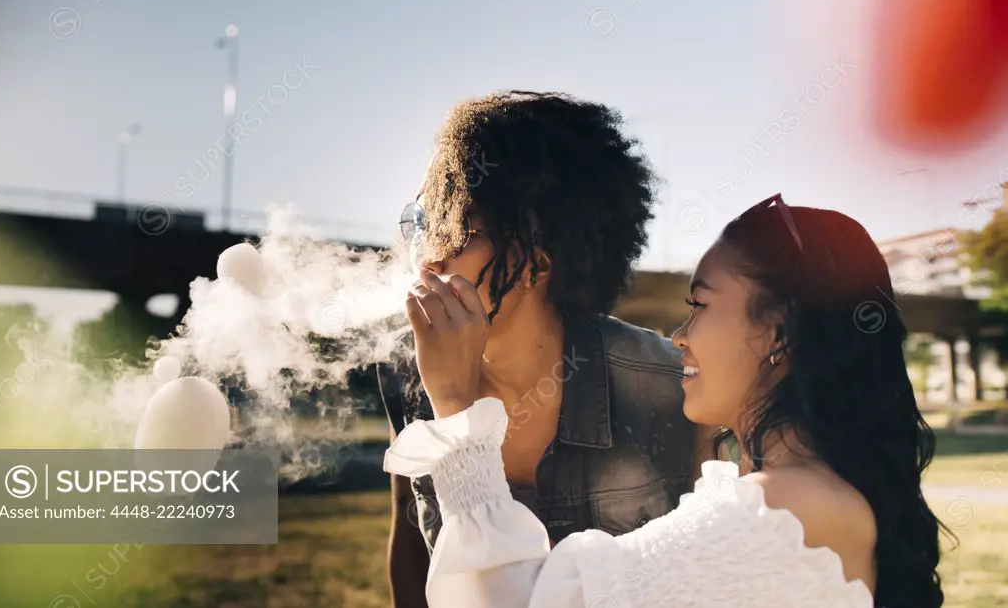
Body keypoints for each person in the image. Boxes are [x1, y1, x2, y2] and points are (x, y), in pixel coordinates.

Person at [385, 194, 949, 608]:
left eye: (700, 305)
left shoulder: (776, 514)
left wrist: (457, 406)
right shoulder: (815, 499)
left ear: (780, 331)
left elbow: (517, 601)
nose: (679, 335)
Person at [376, 91, 713, 608]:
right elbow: (411, 536)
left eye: (453, 228)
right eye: (422, 223)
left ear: (537, 259)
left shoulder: (670, 385)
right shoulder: (409, 368)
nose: (428, 256)